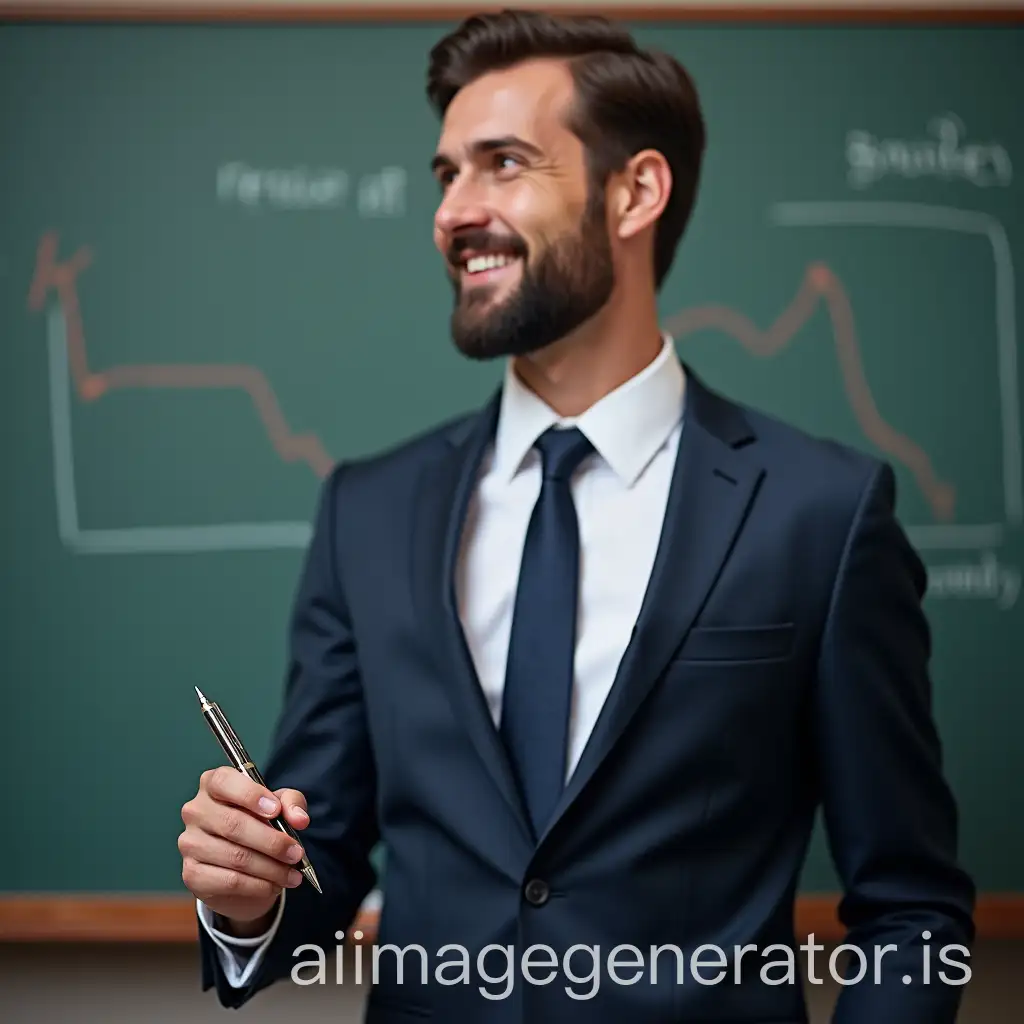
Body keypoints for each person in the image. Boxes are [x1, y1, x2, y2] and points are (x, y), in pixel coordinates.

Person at [178, 10, 975, 1022]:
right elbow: (317, 853)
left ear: (634, 190)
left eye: (501, 164)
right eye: (444, 174)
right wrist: (248, 898)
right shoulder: (366, 511)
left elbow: (911, 911)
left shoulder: (823, 512)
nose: (453, 211)